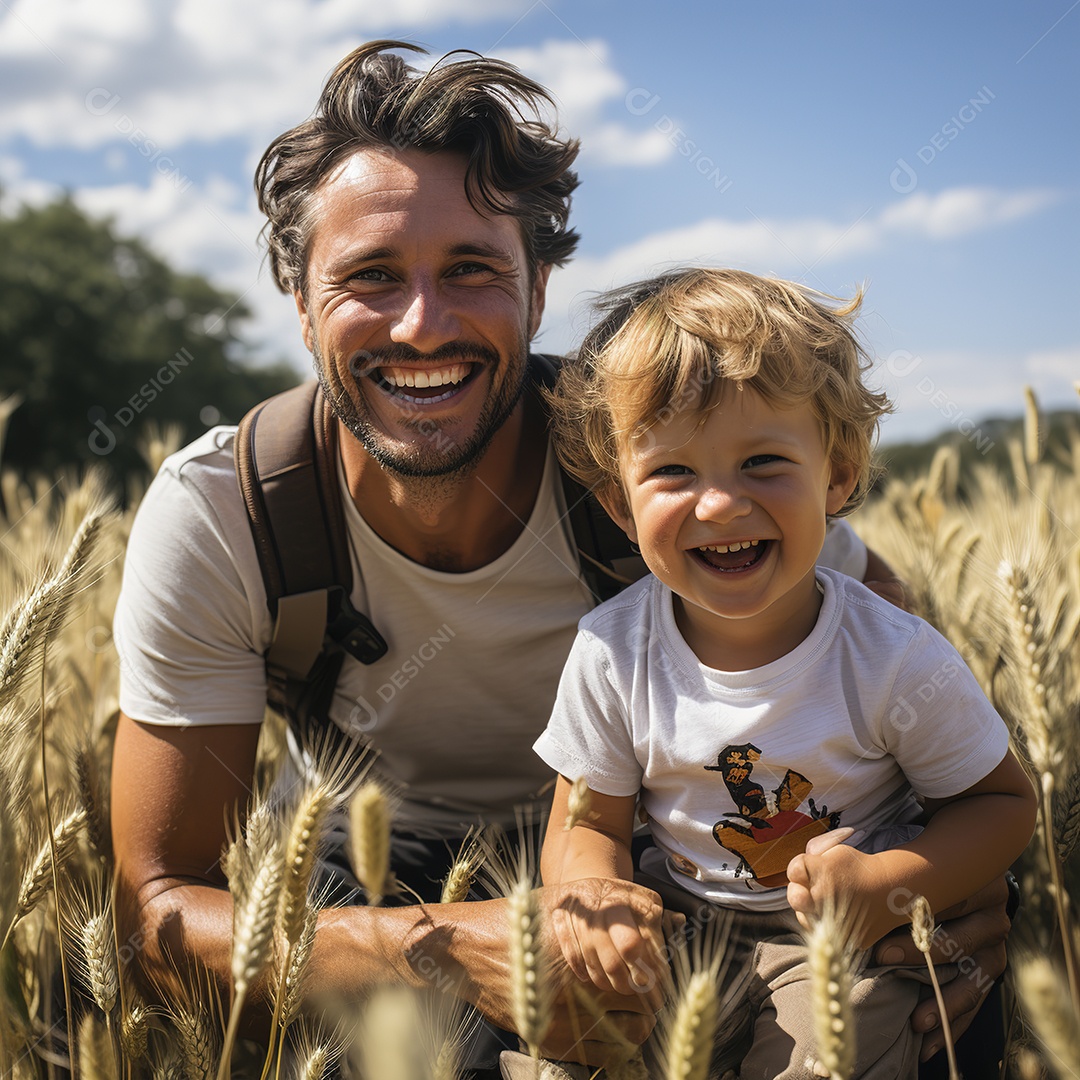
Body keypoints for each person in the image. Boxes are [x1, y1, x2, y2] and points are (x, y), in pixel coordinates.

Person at [109, 40, 1015, 1077]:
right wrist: (441, 949)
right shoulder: (231, 514)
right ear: (301, 303)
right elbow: (158, 919)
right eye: (368, 277)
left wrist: (938, 869)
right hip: (371, 865)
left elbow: (883, 641)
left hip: (663, 866)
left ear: (538, 292)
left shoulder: (648, 454)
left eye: (471, 270)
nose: (422, 323)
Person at [533, 268, 1036, 1077]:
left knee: (835, 1050)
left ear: (838, 473)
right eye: (673, 473)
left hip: (831, 937)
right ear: (621, 505)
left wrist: (889, 884)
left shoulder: (892, 655)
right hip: (679, 924)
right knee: (567, 1050)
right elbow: (587, 823)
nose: (721, 504)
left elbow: (1002, 805)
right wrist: (599, 905)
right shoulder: (610, 651)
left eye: (763, 462)